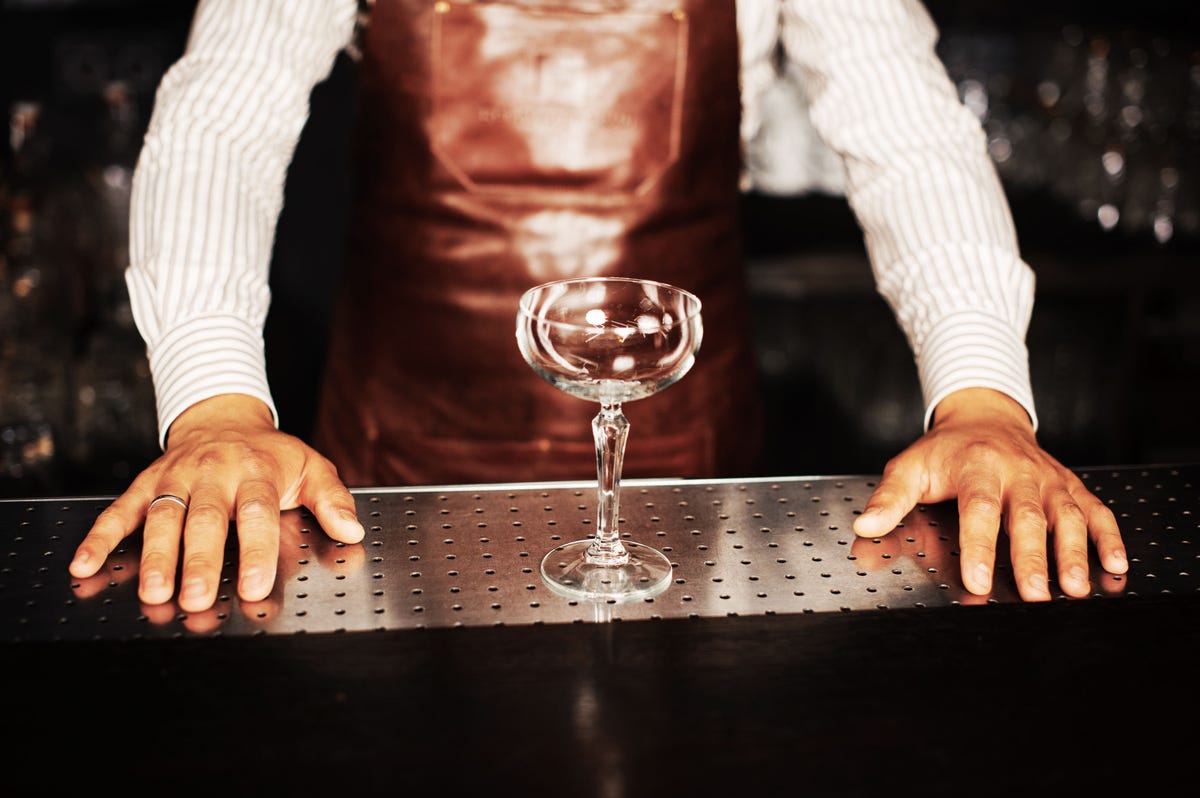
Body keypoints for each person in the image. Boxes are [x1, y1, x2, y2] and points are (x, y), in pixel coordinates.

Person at [68, 0, 1127, 613]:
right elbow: (223, 116)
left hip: (697, 489)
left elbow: (910, 133)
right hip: (384, 496)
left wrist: (984, 400)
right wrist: (215, 412)